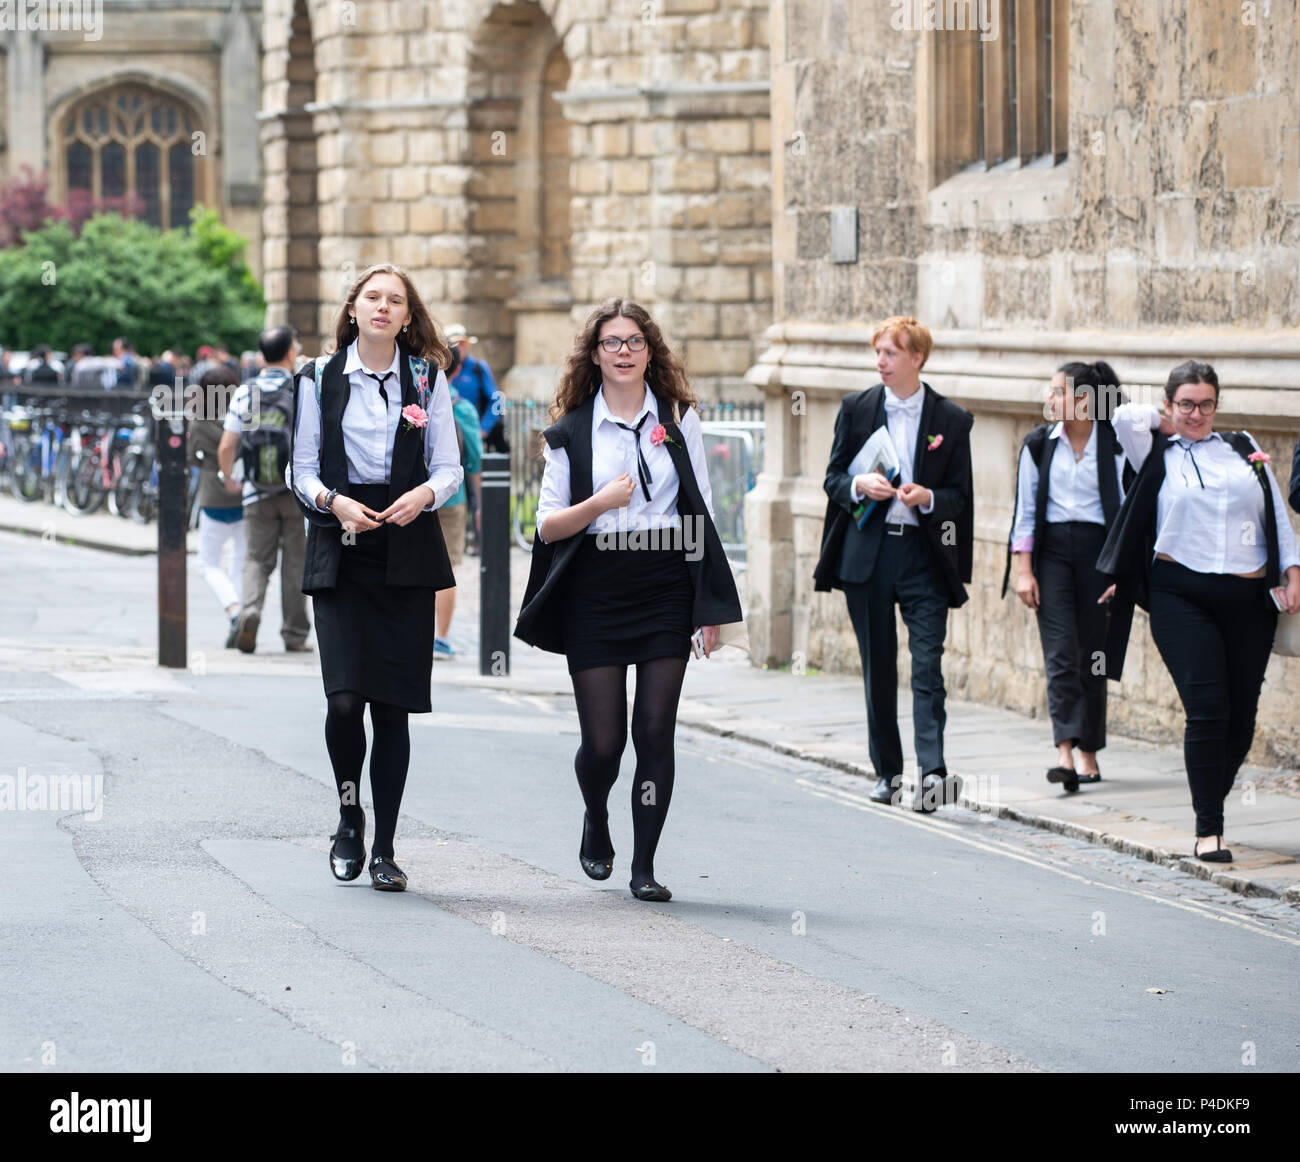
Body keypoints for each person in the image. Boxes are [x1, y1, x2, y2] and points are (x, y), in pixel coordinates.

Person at [515, 298, 743, 903]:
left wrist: (708, 605)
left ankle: (644, 865)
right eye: (612, 342)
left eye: (634, 342)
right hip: (596, 585)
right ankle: (597, 814)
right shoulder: (570, 432)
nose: (623, 351)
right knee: (604, 744)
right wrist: (598, 504)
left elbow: (703, 508)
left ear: (650, 353)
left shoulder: (677, 417)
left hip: (665, 579)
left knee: (654, 730)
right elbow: (546, 526)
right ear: (595, 355)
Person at [290, 263, 462, 892]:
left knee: (393, 710)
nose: (384, 308)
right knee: (344, 702)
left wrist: (423, 496)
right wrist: (332, 502)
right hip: (341, 546)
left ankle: (386, 846)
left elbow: (450, 467)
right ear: (355, 310)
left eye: (396, 301)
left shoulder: (426, 377)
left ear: (408, 316)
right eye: (373, 298)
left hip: (407, 548)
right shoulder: (319, 378)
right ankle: (347, 814)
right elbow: (300, 468)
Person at [1099, 361, 1300, 863]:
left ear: (1217, 405)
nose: (1196, 413)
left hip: (1249, 600)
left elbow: (1274, 509)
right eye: (1185, 403)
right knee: (1208, 711)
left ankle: (1210, 791)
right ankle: (1209, 828)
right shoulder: (1156, 448)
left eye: (1205, 403)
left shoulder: (1241, 444)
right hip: (1180, 595)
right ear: (1169, 404)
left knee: (1242, 720)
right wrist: (1164, 421)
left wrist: (1293, 570)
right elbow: (1123, 417)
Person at [813, 316, 974, 811]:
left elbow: (961, 497)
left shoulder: (951, 419)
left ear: (916, 358)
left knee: (928, 666)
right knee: (878, 668)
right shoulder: (856, 408)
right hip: (870, 555)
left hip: (924, 557)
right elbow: (833, 477)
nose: (880, 362)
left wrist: (928, 497)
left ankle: (933, 774)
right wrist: (859, 485)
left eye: (890, 353)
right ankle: (888, 773)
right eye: (877, 352)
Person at [1004, 360, 1129, 792]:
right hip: (1052, 554)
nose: (1048, 400)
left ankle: (1089, 751)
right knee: (1060, 654)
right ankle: (1064, 752)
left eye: (1056, 392)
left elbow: (1131, 511)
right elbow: (1024, 511)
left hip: (1101, 554)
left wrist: (1122, 571)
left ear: (1083, 401)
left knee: (1093, 654)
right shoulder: (1038, 445)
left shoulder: (1115, 445)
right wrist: (1024, 571)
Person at [218, 326, 313, 654]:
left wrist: (230, 477)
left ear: (261, 355)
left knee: (257, 559)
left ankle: (251, 611)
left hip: (256, 490)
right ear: (290, 353)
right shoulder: (302, 387)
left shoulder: (247, 391)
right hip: (297, 491)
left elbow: (227, 444)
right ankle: (295, 634)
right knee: (296, 563)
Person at [189, 366, 245, 645]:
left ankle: (234, 610)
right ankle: (243, 615)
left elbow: (194, 458)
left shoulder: (199, 420)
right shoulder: (245, 415)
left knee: (209, 563)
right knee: (240, 563)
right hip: (246, 492)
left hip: (214, 493)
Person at [433, 380, 483, 659]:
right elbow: (474, 458)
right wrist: (480, 502)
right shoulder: (461, 408)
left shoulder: (411, 392)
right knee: (445, 569)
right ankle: (440, 638)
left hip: (410, 497)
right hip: (451, 497)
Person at [446, 323, 508, 453]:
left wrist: (483, 429)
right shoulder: (441, 368)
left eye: (462, 344)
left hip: (471, 435)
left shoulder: (478, 368)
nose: (459, 348)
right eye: (455, 344)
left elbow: (497, 400)